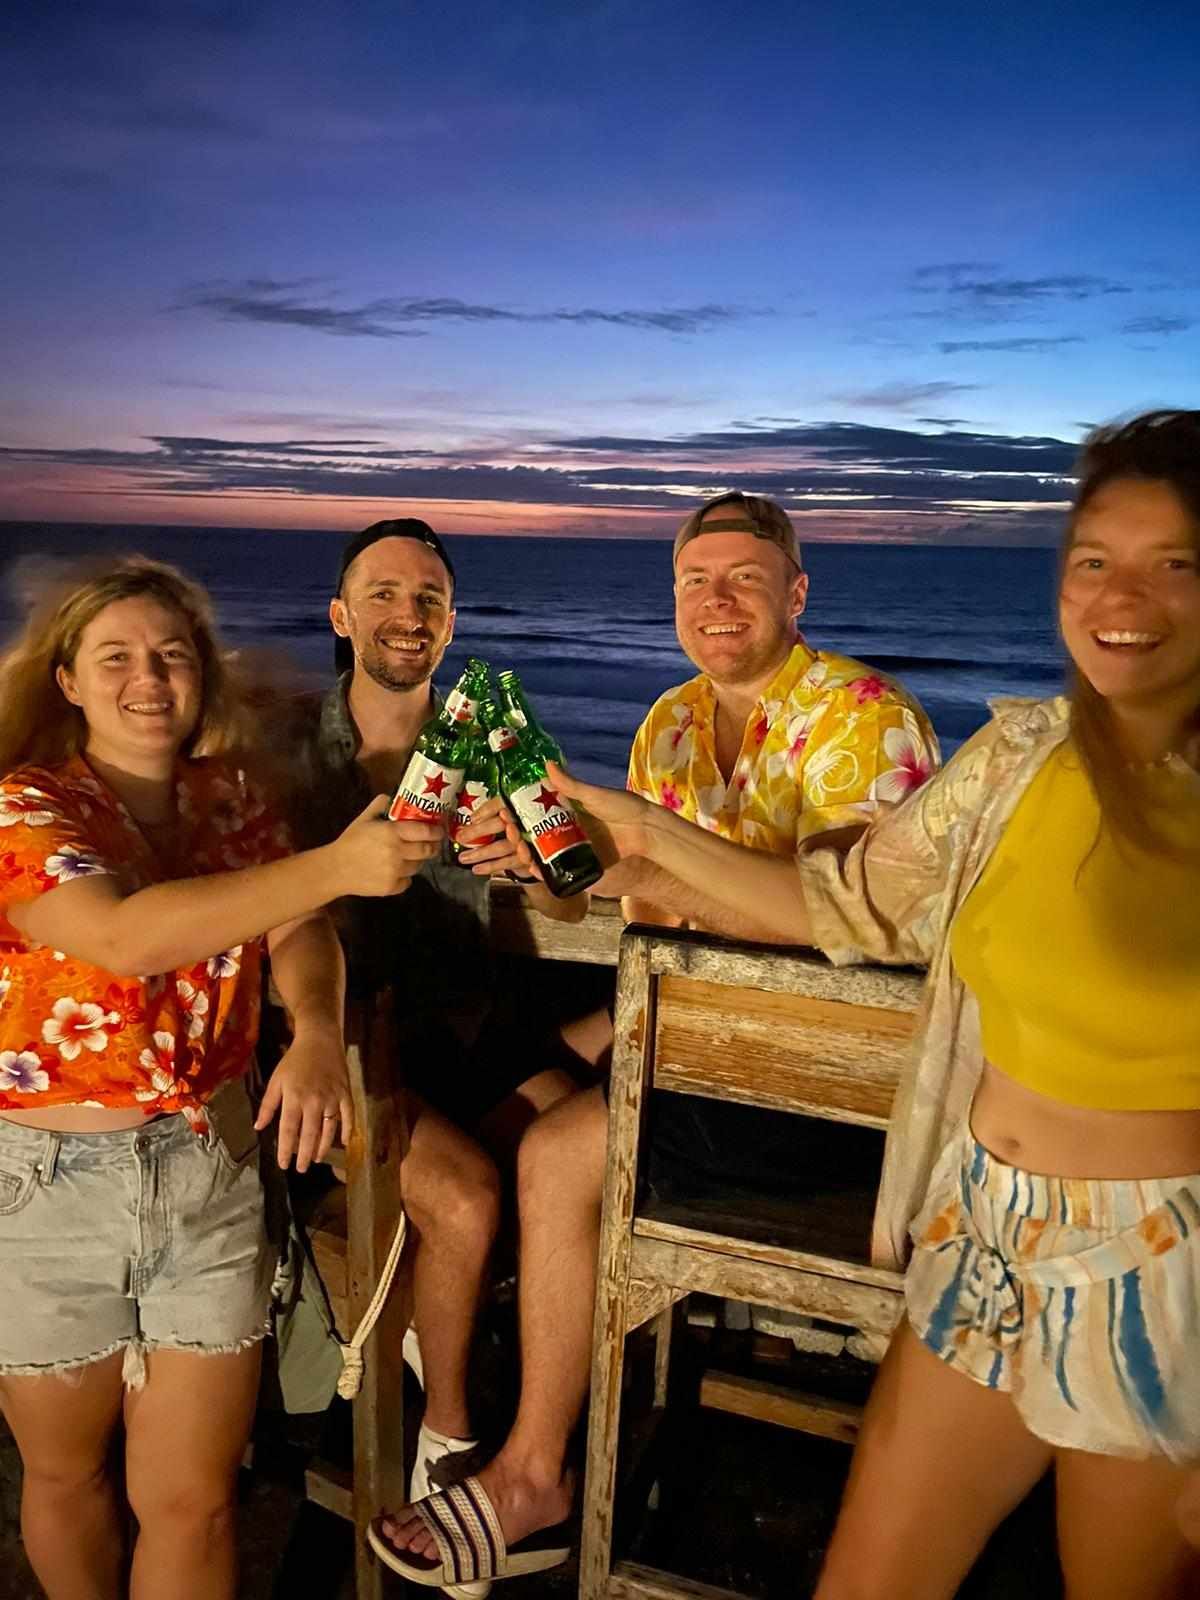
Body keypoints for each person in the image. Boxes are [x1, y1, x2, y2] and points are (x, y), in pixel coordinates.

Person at [539, 411, 1200, 1599]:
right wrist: (632, 836)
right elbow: (845, 903)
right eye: (1095, 557)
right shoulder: (1021, 760)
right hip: (981, 1226)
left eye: (1176, 562)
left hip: (1156, 1271)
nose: (1122, 595)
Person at [371, 493, 940, 1588]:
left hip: (832, 1075)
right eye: (694, 580)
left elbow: (848, 934)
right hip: (700, 1028)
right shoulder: (669, 723)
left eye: (743, 577)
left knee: (558, 1151)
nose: (715, 600)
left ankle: (538, 1469)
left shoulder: (863, 715)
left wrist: (643, 854)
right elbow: (639, 911)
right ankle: (500, 1342)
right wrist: (549, 863)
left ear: (797, 593)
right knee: (507, 1093)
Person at [0, 557, 436, 1600]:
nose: (148, 677)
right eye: (115, 656)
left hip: (210, 1168)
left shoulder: (227, 796)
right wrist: (335, 862)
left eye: (172, 653)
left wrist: (319, 1030)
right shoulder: (23, 805)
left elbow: (295, 928)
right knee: (67, 1472)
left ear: (203, 674)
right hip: (47, 1187)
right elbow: (123, 936)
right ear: (66, 679)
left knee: (193, 1497)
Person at [283, 518, 589, 1512]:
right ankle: (448, 1435)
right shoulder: (286, 747)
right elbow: (262, 908)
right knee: (463, 1198)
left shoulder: (488, 735)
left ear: (450, 623)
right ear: (340, 614)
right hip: (344, 1045)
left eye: (427, 598)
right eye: (382, 593)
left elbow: (571, 901)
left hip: (466, 1023)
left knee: (601, 1144)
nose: (405, 614)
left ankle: (450, 1328)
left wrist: (538, 868)